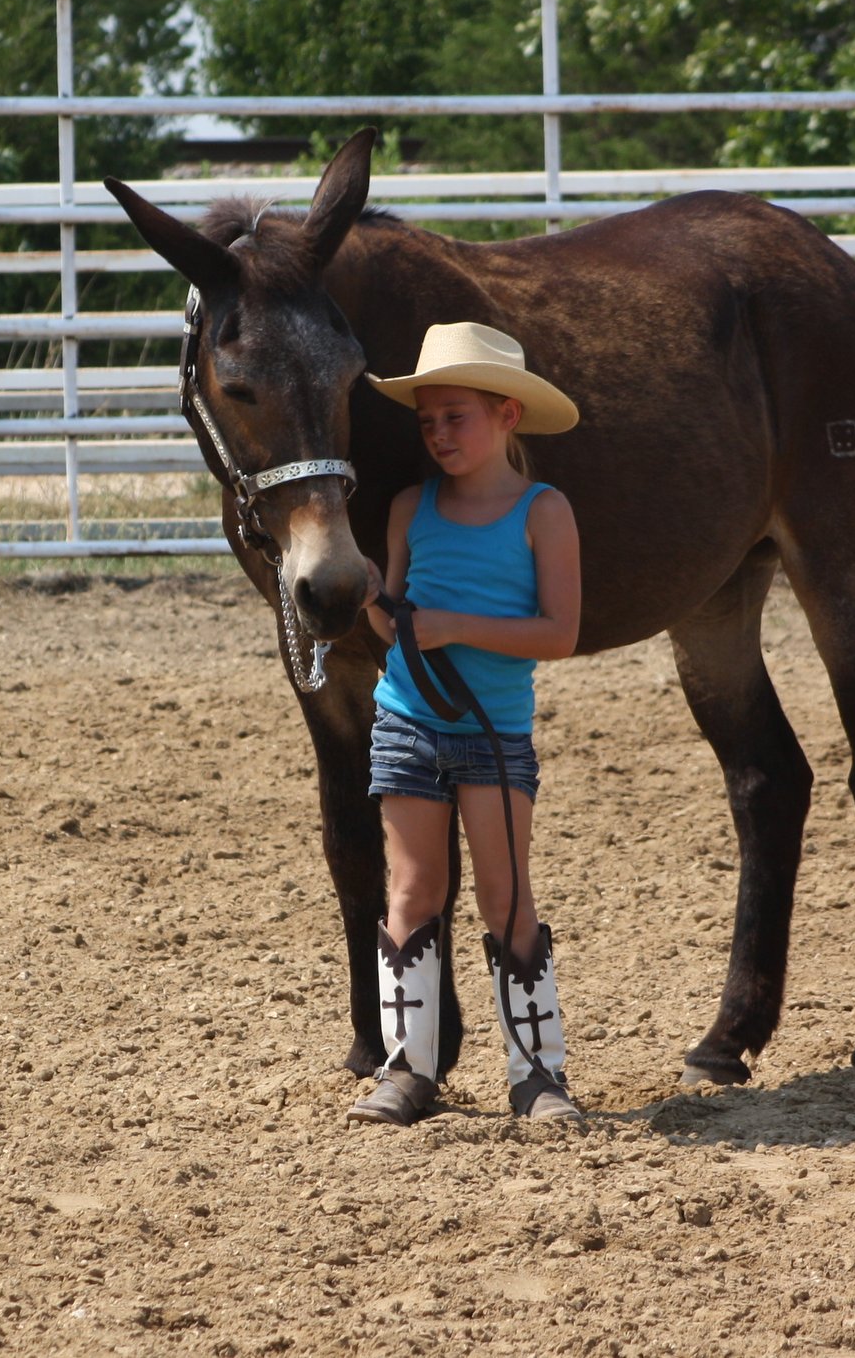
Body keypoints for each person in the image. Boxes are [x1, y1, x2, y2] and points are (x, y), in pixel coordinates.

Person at [347, 321, 584, 1128]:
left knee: (505, 895)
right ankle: (407, 1069)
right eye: (428, 420)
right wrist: (378, 598)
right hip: (407, 721)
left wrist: (453, 625)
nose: (440, 433)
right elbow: (399, 628)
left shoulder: (545, 513)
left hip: (493, 734)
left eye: (458, 416)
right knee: (413, 892)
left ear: (506, 415)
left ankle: (538, 1074)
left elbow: (560, 633)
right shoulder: (412, 508)